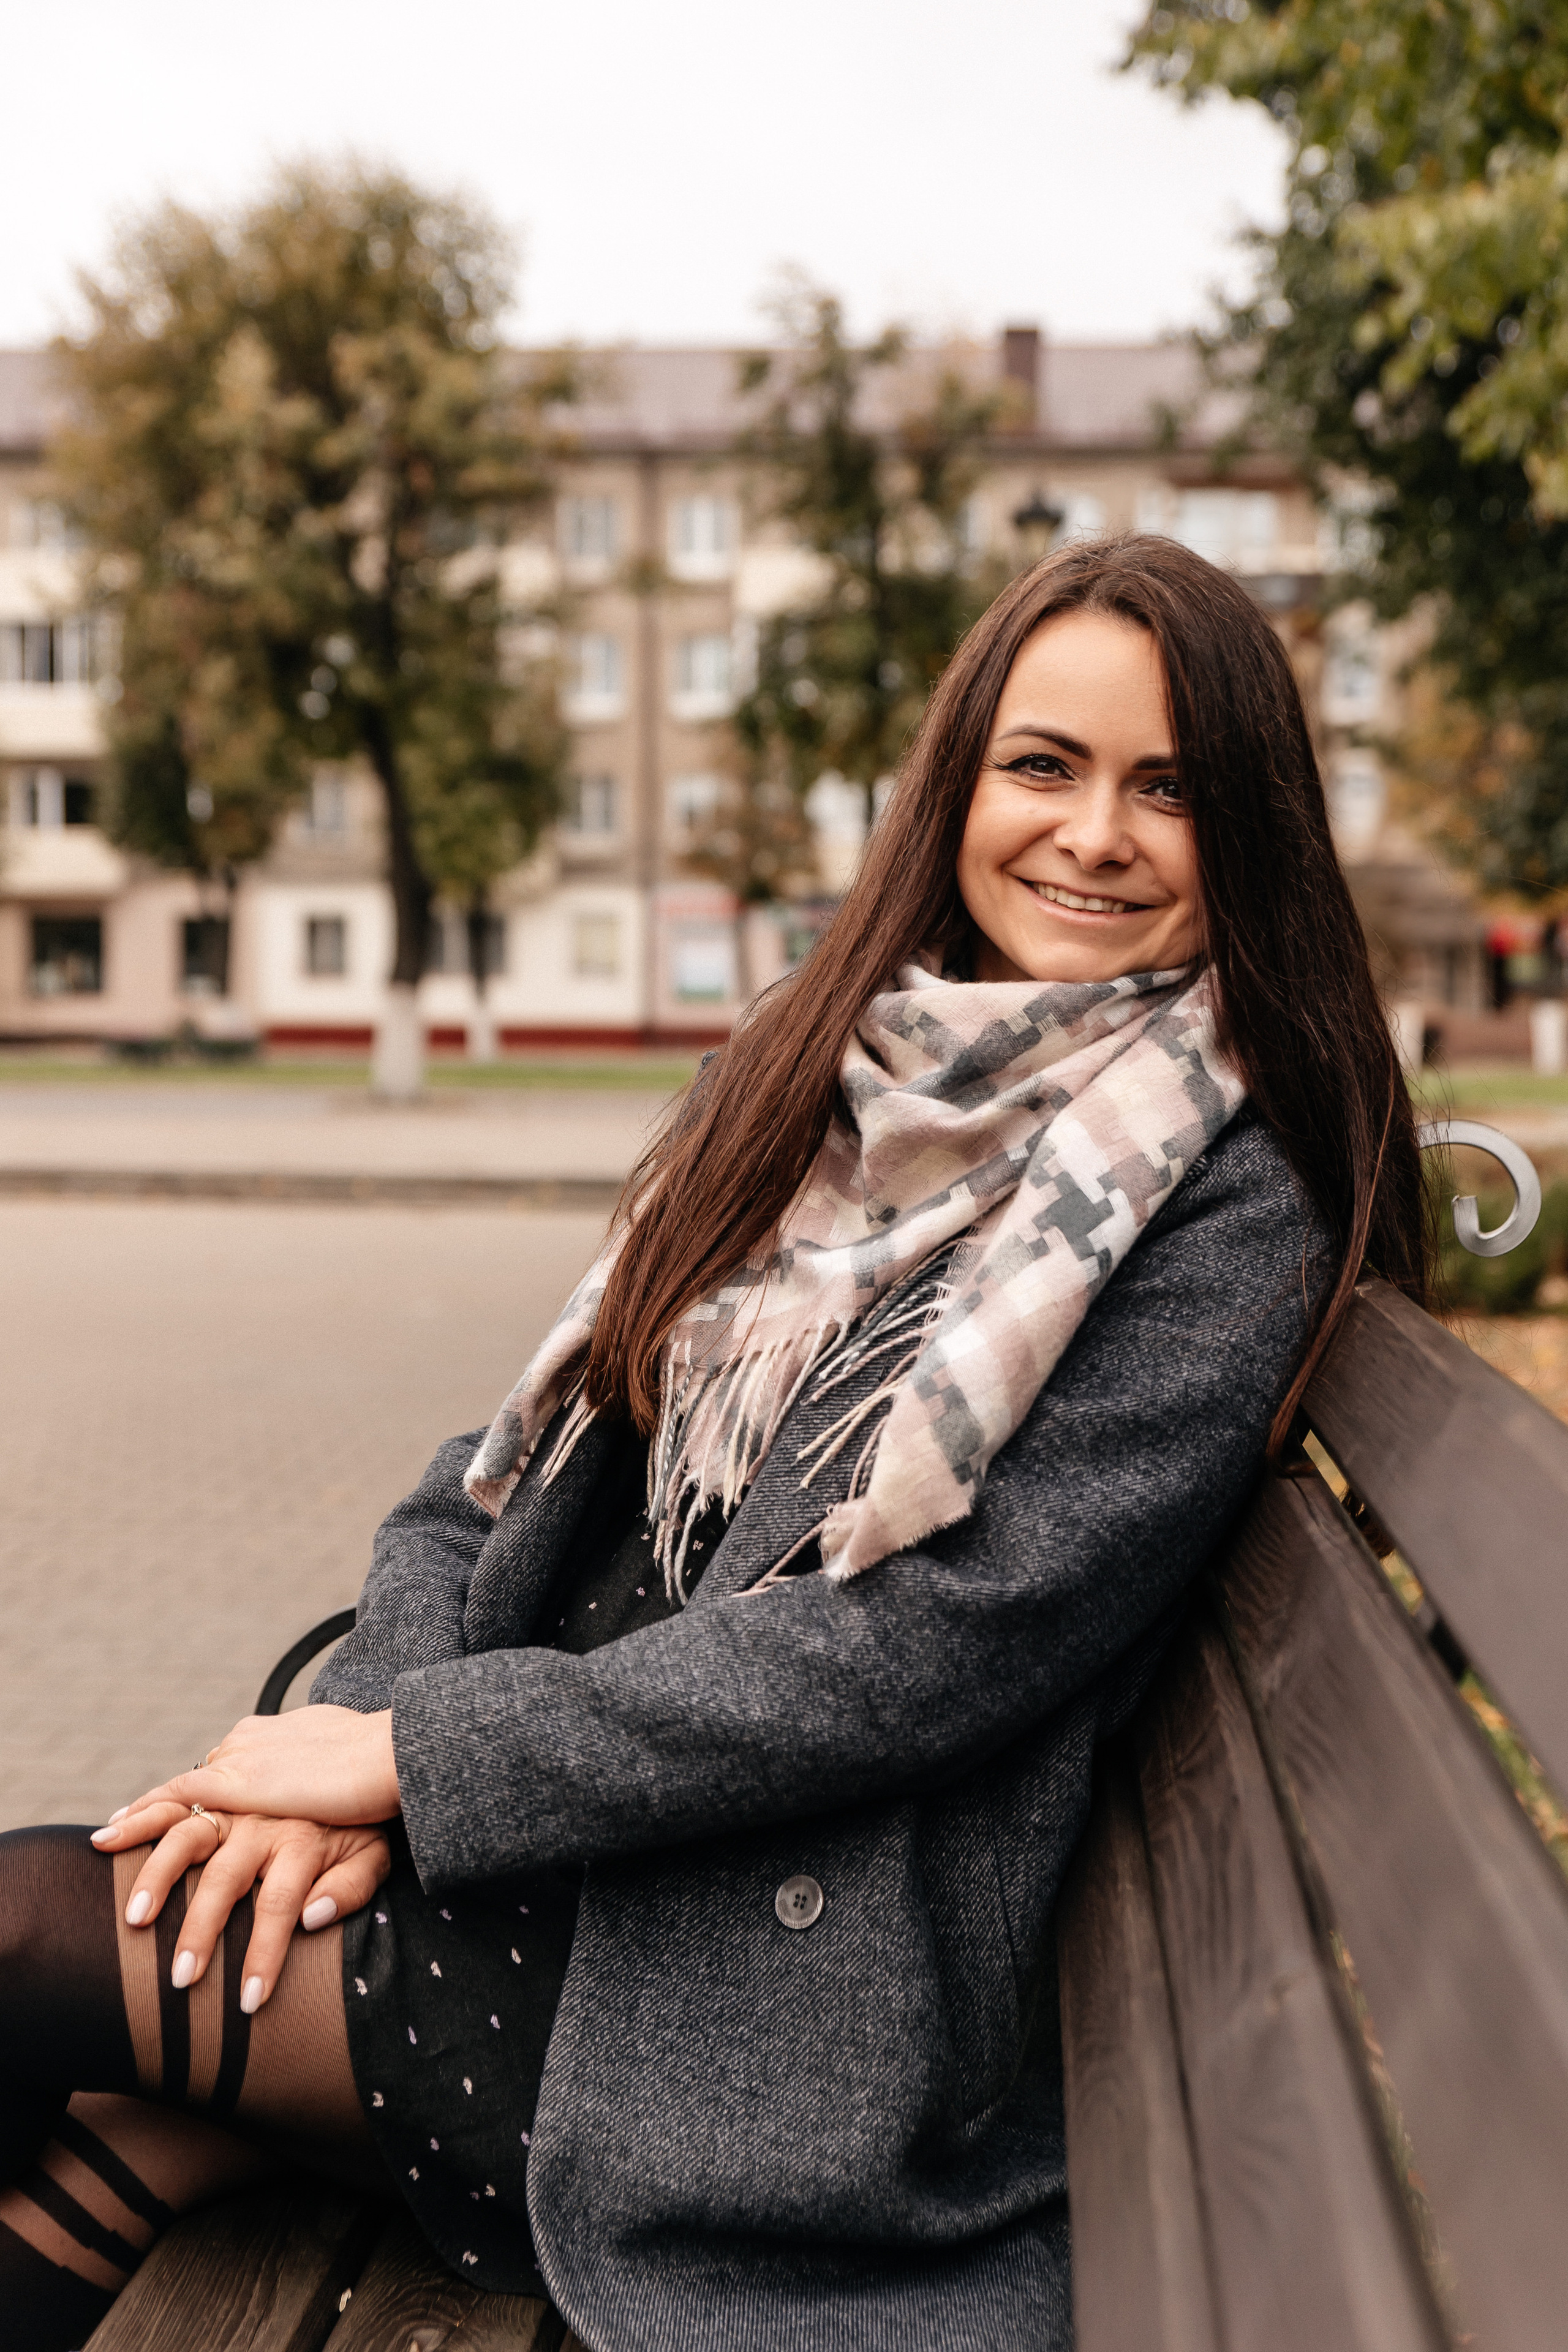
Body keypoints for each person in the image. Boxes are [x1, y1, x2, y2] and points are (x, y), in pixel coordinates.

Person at [0, 535, 1431, 2352]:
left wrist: (414, 1763)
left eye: (1171, 788)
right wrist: (368, 1743)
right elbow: (498, 1466)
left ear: (1255, 829)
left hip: (734, 1991)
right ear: (959, 784)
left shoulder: (1234, 1193)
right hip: (556, 1851)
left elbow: (925, 1648)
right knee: (102, 2146)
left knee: (30, 1938)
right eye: (1046, 765)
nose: (1095, 834)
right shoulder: (808, 1075)